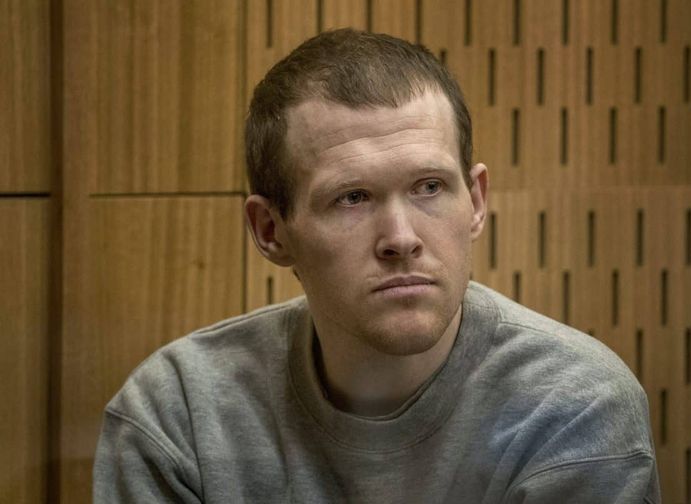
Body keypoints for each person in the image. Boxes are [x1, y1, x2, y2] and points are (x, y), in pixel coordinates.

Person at [94, 29, 661, 503]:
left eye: (430, 187)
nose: (401, 239)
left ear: (477, 202)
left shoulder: (573, 405)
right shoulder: (178, 414)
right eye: (352, 198)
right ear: (272, 231)